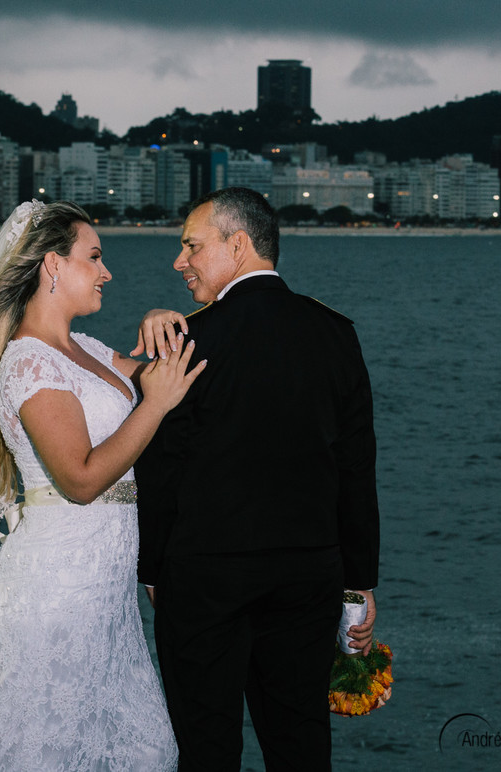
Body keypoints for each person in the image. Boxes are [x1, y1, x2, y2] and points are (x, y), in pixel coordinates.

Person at [0, 200, 205, 770]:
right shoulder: (28, 364)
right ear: (52, 266)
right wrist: (152, 407)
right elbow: (81, 479)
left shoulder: (83, 349)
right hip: (57, 590)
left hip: (106, 593)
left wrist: (168, 321)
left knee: (143, 748)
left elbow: (172, 375)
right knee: (45, 749)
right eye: (95, 256)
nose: (107, 272)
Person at [134, 187, 381, 771]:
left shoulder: (189, 341)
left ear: (237, 245)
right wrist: (359, 582)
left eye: (192, 245)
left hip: (204, 578)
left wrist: (153, 568)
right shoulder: (335, 332)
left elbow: (162, 466)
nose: (180, 261)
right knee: (300, 745)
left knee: (207, 749)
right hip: (308, 577)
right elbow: (355, 466)